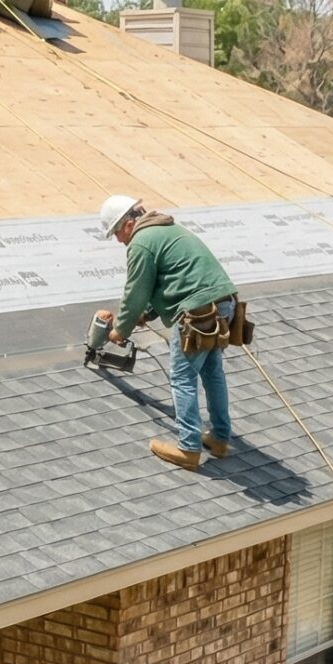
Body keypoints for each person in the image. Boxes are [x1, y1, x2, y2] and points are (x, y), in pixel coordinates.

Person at [93, 194, 240, 471]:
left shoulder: (141, 242)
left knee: (182, 377)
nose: (119, 241)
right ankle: (220, 438)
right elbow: (170, 282)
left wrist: (120, 330)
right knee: (212, 371)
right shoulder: (167, 229)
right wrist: (147, 314)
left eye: (116, 233)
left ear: (127, 224)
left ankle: (188, 449)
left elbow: (135, 292)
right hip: (224, 304)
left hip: (197, 312)